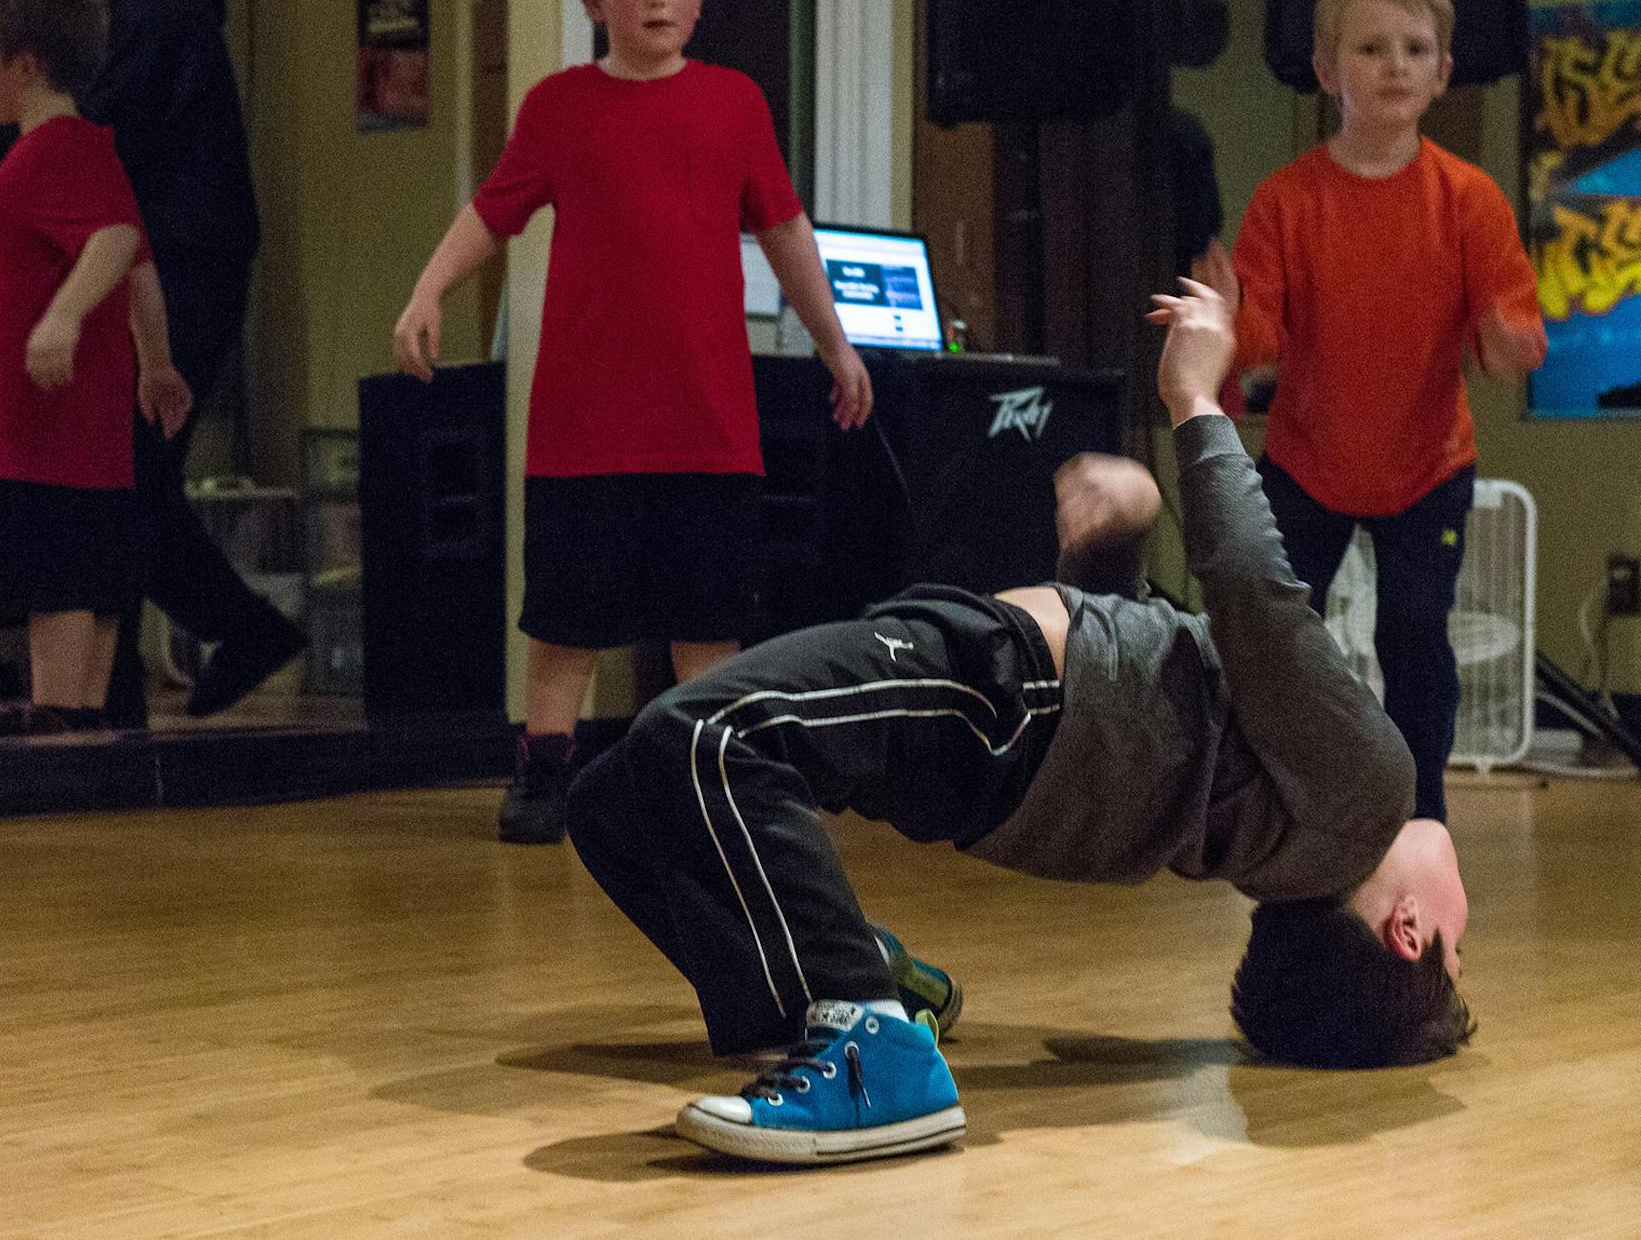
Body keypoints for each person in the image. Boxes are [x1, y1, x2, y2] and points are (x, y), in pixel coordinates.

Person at [566, 271, 1474, 1166]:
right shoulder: (1283, 836)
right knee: (614, 799)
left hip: (994, 695)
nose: (1464, 942)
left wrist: (1196, 399)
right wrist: (1114, 546)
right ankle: (840, 970)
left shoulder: (1367, 793)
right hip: (999, 731)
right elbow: (1144, 707)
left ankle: (874, 1051)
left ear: (1406, 932)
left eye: (1457, 954)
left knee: (707, 739)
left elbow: (1253, 596)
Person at [393, 0, 873, 844]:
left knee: (709, 626)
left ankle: (713, 776)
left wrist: (835, 341)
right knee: (564, 620)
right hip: (584, 423)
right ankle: (542, 774)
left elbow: (783, 229)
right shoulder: (559, 108)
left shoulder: (734, 103)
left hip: (707, 419)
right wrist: (427, 290)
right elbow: (493, 211)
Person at [1198, 0, 1547, 823]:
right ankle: (1272, 802)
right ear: (1327, 71)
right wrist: (1220, 324)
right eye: (1371, 48)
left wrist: (1507, 344)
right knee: (1276, 638)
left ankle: (1420, 817)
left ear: (1441, 73)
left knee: (1414, 637)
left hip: (1429, 465)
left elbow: (1510, 340)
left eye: (1414, 50)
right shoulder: (1288, 201)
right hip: (1307, 461)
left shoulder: (1471, 201)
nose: (1394, 64)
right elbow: (1260, 336)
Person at [52, 0, 306, 727]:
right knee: (136, 473)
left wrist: (1, 142)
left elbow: (104, 127)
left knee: (128, 469)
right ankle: (195, 652)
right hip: (193, 262)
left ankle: (194, 654)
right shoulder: (167, 9)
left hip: (185, 264)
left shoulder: (156, 12)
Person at [0, 0, 191, 732]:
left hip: (42, 432)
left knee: (57, 582)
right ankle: (82, 736)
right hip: (78, 435)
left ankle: (59, 735)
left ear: (25, 67)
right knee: (88, 580)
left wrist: (60, 319)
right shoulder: (87, 151)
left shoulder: (49, 152)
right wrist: (156, 363)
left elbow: (117, 243)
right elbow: (141, 266)